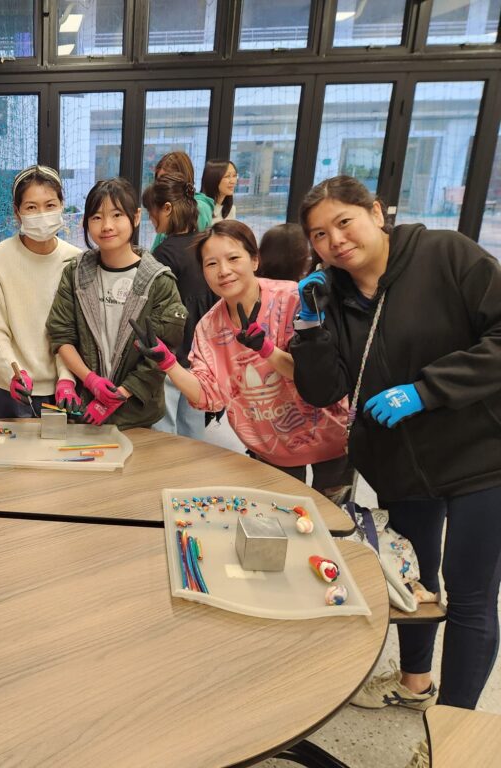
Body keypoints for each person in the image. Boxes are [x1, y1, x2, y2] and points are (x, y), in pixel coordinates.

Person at [289, 176, 501, 735]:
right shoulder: (331, 297)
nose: (335, 241)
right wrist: (309, 329)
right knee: (412, 582)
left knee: (471, 594)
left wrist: (428, 390)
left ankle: (453, 733)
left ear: (377, 213)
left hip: (481, 454)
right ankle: (414, 684)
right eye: (319, 234)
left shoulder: (445, 255)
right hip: (400, 465)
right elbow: (323, 391)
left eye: (344, 222)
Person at [131, 219, 350, 497]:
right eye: (211, 264)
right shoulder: (209, 328)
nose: (223, 271)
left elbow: (320, 377)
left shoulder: (292, 299)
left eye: (233, 258)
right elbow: (209, 396)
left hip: (332, 437)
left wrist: (266, 349)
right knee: (283, 514)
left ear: (255, 260)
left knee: (333, 516)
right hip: (271, 447)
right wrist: (169, 364)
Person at [46, 178, 185, 428]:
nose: (107, 226)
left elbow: (162, 354)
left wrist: (119, 395)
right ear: (86, 222)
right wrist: (90, 381)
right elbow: (61, 335)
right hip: (86, 409)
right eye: (97, 217)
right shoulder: (75, 274)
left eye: (117, 215)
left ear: (136, 217)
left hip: (138, 414)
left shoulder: (159, 281)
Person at [0, 165, 83, 418]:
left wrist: (67, 377)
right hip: (7, 384)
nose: (42, 214)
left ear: (62, 205)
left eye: (50, 205)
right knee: (7, 444)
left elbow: (75, 330)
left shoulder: (75, 260)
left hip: (61, 386)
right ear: (17, 212)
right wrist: (12, 372)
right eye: (31, 207)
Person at [144, 172, 216, 440]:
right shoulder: (204, 244)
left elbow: (155, 307)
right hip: (202, 349)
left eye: (151, 212)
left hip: (173, 350)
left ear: (166, 208)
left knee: (165, 424)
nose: (151, 219)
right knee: (193, 421)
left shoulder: (164, 253)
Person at [148, 151, 214, 251]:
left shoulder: (198, 207)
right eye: (159, 180)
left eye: (168, 179)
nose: (162, 184)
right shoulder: (168, 206)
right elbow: (156, 247)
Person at [201, 159, 237, 223]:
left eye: (234, 175)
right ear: (213, 179)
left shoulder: (231, 210)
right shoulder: (201, 208)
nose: (233, 181)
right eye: (227, 176)